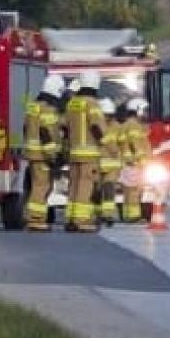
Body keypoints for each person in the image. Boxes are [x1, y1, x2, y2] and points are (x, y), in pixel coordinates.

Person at [22, 74, 64, 232]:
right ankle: (35, 219)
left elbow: (26, 129)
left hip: (33, 154)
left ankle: (34, 217)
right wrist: (53, 156)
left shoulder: (33, 107)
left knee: (37, 185)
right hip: (42, 155)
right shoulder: (47, 109)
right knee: (42, 186)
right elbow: (46, 132)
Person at [63, 74, 104, 233]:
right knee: (85, 185)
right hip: (89, 153)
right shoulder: (92, 103)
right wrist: (104, 142)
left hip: (74, 152)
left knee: (74, 185)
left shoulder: (72, 103)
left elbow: (65, 127)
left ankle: (70, 218)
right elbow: (96, 126)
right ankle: (81, 220)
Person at [119, 97, 154, 223]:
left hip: (128, 162)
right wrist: (143, 162)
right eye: (145, 111)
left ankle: (128, 215)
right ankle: (133, 216)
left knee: (128, 190)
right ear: (138, 110)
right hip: (134, 163)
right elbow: (136, 145)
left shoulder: (127, 124)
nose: (146, 114)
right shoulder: (134, 125)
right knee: (134, 190)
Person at [96, 97, 123, 226]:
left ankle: (107, 215)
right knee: (95, 190)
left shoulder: (117, 127)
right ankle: (96, 213)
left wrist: (121, 156)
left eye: (109, 115)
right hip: (96, 163)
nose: (107, 117)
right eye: (105, 115)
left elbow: (122, 143)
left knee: (109, 188)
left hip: (112, 165)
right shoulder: (94, 126)